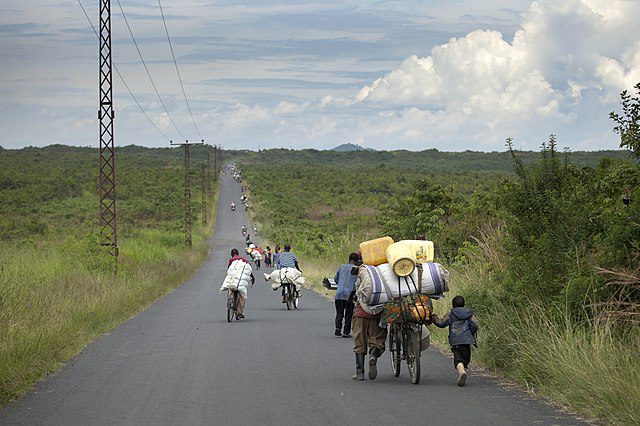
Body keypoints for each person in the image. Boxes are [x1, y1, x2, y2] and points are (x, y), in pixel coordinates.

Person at [431, 295, 479, 387]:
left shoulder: (451, 313)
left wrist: (434, 318)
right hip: (467, 340)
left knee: (458, 359)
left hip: (455, 340)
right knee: (466, 359)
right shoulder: (470, 313)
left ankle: (461, 372)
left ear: (453, 305)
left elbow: (441, 323)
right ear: (464, 304)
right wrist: (471, 332)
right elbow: (475, 325)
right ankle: (463, 370)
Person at [352, 266, 387, 381]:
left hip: (360, 314)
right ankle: (373, 356)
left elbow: (357, 290)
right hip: (377, 314)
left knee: (359, 341)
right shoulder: (384, 272)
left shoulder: (363, 272)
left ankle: (360, 373)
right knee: (377, 340)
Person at [333, 253, 359, 338]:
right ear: (357, 261)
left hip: (339, 293)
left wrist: (341, 284)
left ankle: (338, 328)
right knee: (349, 313)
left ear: (349, 259)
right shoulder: (357, 269)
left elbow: (335, 279)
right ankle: (346, 332)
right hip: (349, 295)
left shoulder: (342, 266)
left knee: (339, 312)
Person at [227, 248, 255, 319]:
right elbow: (248, 269)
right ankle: (239, 312)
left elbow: (229, 270)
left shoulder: (231, 260)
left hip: (234, 280)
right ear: (238, 253)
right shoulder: (243, 259)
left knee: (230, 288)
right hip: (241, 280)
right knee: (242, 295)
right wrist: (252, 277)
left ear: (231, 254)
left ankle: (229, 300)